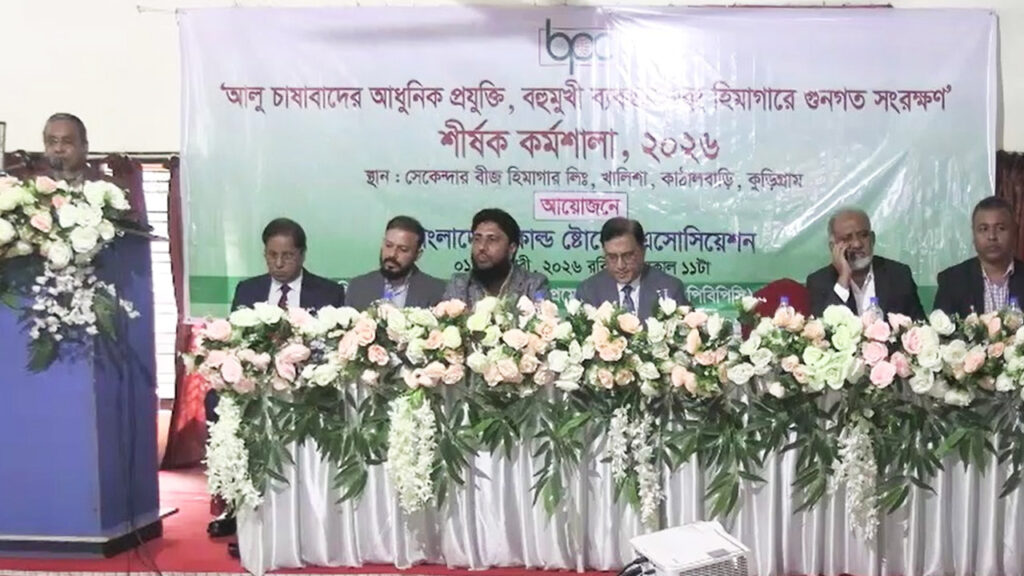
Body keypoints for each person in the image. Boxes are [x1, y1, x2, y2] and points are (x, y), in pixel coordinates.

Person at [206, 218, 344, 543]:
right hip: (256, 382)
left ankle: (307, 507)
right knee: (215, 400)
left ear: (302, 255)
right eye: (272, 255)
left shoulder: (328, 291)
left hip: (306, 383)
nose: (279, 263)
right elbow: (235, 341)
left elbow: (333, 347)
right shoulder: (248, 289)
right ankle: (233, 502)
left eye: (288, 256)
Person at [806, 208, 925, 319]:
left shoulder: (899, 275)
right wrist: (843, 279)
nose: (857, 244)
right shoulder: (818, 282)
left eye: (863, 235)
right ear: (833, 247)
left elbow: (920, 325)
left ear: (872, 239)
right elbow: (824, 329)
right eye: (847, 238)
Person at [575, 217, 687, 318]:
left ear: (643, 251)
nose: (620, 265)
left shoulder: (670, 289)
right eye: (612, 257)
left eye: (628, 256)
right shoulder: (588, 292)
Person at [934, 196, 1024, 316]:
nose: (992, 236)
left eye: (1000, 228)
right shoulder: (952, 281)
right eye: (984, 229)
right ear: (974, 234)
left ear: (1014, 232)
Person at [442, 208, 548, 305]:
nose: (482, 247)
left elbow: (541, 318)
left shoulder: (534, 284)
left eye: (492, 239)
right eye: (477, 239)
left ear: (512, 248)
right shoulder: (459, 284)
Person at [346, 216, 445, 310]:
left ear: (417, 255)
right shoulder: (358, 287)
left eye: (403, 249)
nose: (392, 254)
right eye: (388, 245)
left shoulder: (436, 291)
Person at [41, 113, 102, 188]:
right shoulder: (31, 187)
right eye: (53, 142)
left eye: (67, 142)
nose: (58, 149)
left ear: (84, 147)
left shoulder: (107, 187)